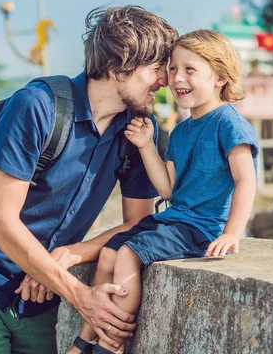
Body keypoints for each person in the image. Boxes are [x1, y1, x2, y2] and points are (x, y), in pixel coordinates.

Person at [0, 5, 178, 354]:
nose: (165, 81)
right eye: (155, 70)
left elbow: (137, 222)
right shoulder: (37, 106)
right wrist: (78, 295)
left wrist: (70, 254)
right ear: (121, 65)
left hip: (36, 293)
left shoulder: (137, 134)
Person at [64, 29, 259, 354]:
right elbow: (168, 187)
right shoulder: (181, 131)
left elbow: (246, 180)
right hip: (173, 218)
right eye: (172, 68)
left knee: (128, 254)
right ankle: (85, 340)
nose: (176, 77)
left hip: (200, 227)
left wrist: (232, 233)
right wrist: (146, 145)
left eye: (190, 69)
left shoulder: (229, 123)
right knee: (109, 252)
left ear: (221, 77)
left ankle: (112, 345)